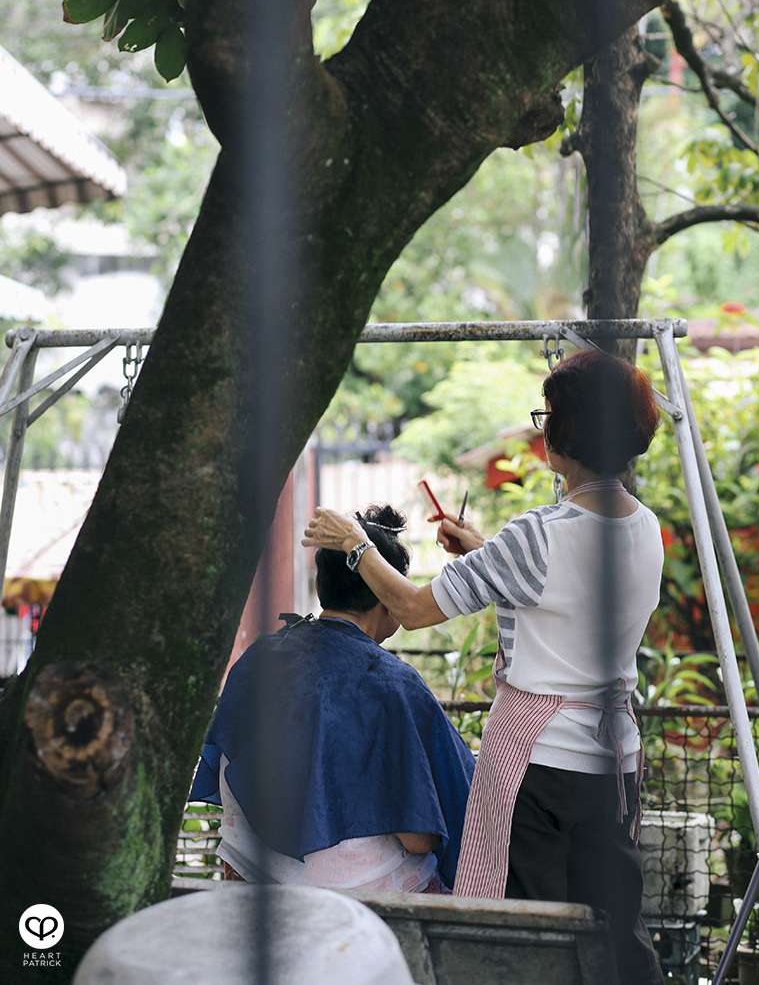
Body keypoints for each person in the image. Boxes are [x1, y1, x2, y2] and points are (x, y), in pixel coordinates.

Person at [303, 351, 665, 985]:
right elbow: (563, 595)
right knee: (614, 928)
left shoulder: (539, 535)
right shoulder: (645, 528)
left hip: (539, 766)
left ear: (565, 433)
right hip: (614, 761)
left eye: (546, 417)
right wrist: (486, 554)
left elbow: (412, 609)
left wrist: (353, 544)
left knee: (522, 932)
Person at [190, 504, 475, 894]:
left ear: (320, 588)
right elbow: (419, 838)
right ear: (388, 593)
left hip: (251, 876)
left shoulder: (258, 660)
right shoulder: (394, 685)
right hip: (360, 897)